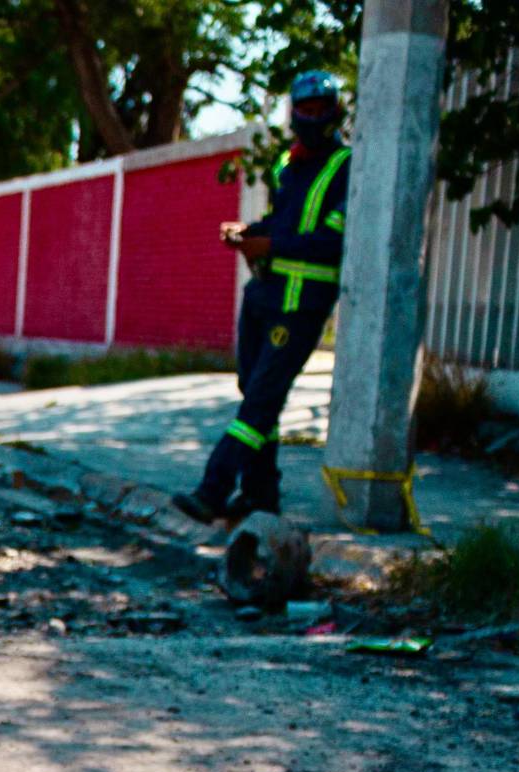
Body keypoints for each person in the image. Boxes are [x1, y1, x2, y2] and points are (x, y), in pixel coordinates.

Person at [175, 72, 351, 526]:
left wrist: (270, 244)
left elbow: (333, 241)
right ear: (293, 112)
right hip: (263, 294)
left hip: (301, 303)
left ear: (335, 111)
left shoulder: (347, 166)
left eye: (320, 108)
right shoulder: (284, 166)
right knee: (253, 393)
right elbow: (283, 220)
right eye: (305, 109)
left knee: (261, 402)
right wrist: (248, 234)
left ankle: (213, 491)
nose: (312, 118)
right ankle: (259, 495)